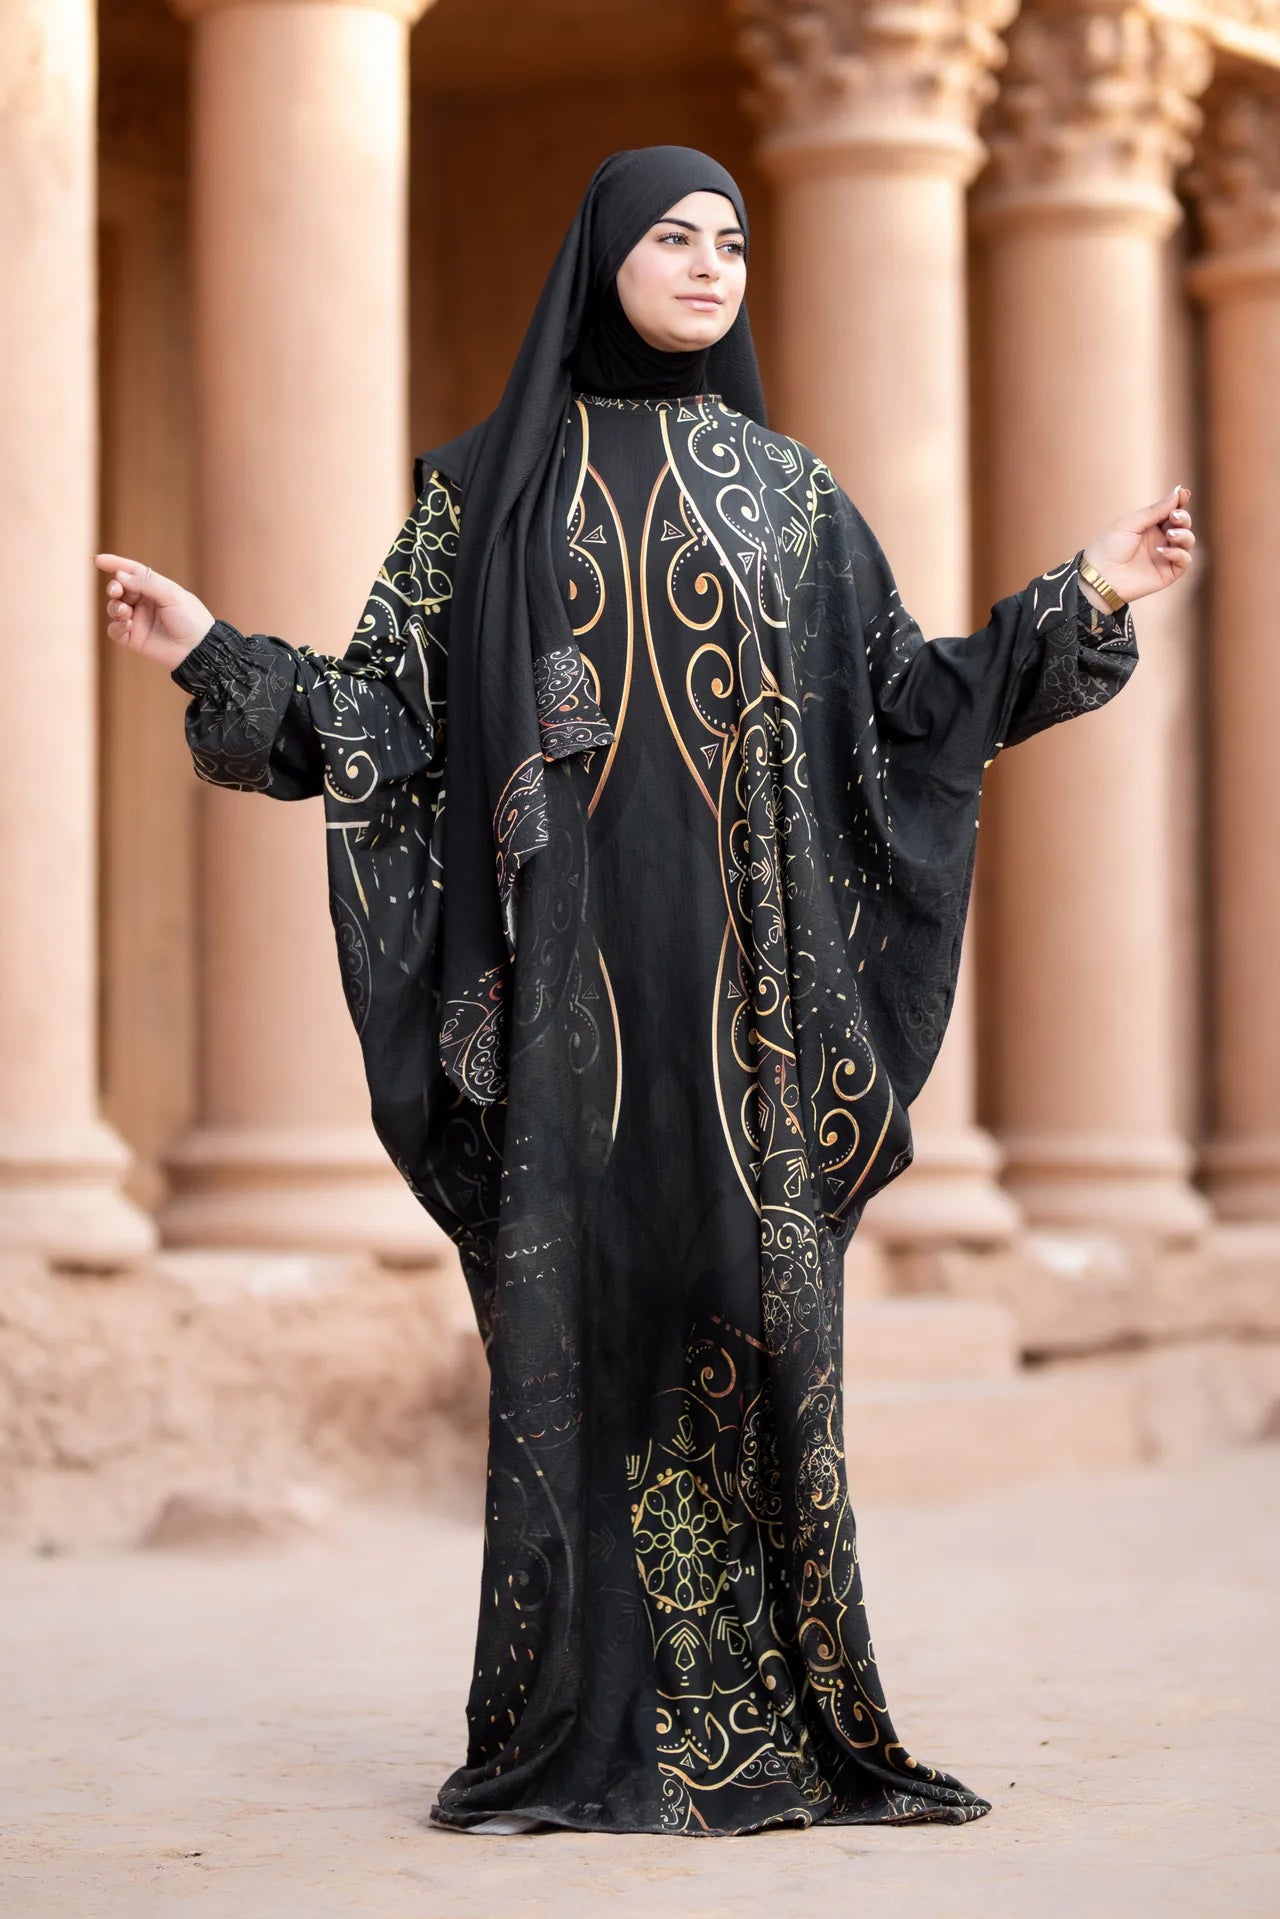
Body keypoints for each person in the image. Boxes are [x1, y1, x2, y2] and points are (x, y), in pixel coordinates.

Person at [94, 146, 1195, 1838]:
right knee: (583, 1347)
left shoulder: (795, 499)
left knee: (755, 1327)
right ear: (602, 252)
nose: (710, 262)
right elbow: (385, 716)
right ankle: (575, 1730)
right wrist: (214, 653)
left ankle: (780, 1720)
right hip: (566, 1029)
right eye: (673, 235)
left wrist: (1084, 595)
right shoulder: (487, 496)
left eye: (734, 239)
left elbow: (910, 710)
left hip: (756, 1013)